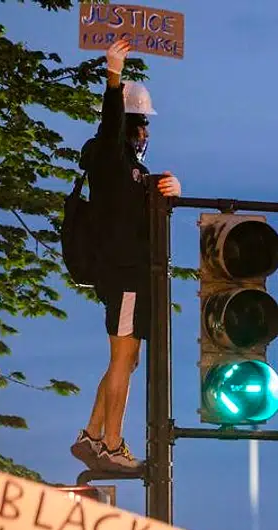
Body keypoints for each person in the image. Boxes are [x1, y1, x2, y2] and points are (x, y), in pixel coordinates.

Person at [70, 37, 182, 476]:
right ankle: (112, 444)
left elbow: (142, 199)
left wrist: (169, 189)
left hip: (129, 274)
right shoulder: (110, 156)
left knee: (127, 358)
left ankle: (92, 435)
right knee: (122, 359)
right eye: (142, 125)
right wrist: (113, 74)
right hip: (124, 277)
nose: (146, 134)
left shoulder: (129, 172)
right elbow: (110, 122)